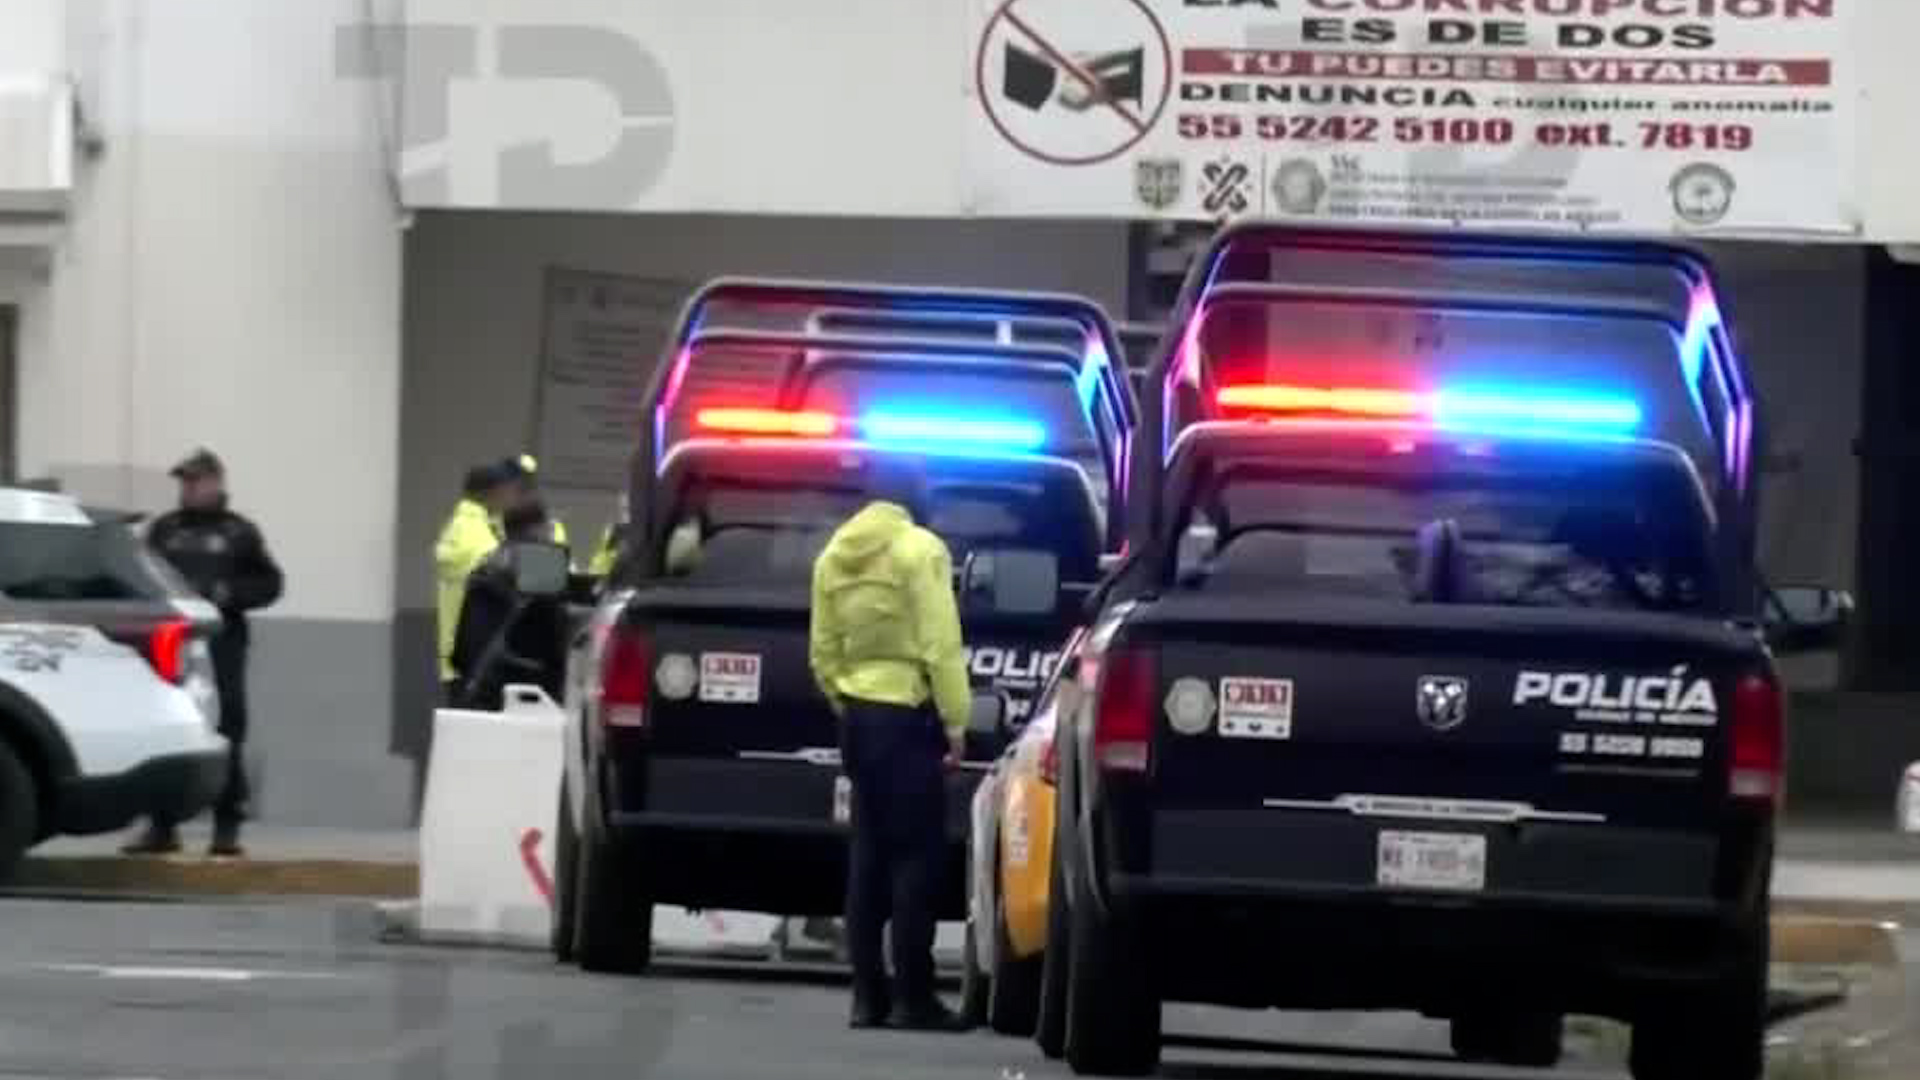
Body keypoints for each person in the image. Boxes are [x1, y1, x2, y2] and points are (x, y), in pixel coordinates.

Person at [809, 455, 972, 1033]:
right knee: (916, 858)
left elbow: (822, 652)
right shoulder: (919, 549)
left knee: (868, 855)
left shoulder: (833, 556)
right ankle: (914, 998)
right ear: (910, 498)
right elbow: (940, 643)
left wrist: (847, 701)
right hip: (907, 716)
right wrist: (956, 720)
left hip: (857, 718)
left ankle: (866, 997)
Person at [124, 448, 284, 857]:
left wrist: (231, 595)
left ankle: (226, 826)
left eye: (195, 481)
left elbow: (270, 583)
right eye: (184, 482)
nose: (188, 489)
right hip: (169, 643)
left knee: (226, 726)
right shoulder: (165, 530)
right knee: (164, 726)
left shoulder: (238, 533)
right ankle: (162, 825)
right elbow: (139, 574)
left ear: (216, 482)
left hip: (221, 643)